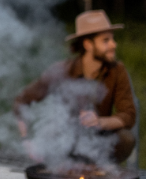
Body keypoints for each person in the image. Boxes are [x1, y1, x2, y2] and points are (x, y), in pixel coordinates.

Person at [14, 10, 136, 164]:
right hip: (65, 141)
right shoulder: (61, 71)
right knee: (52, 135)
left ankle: (102, 170)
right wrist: (26, 140)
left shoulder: (117, 71)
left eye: (112, 39)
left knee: (126, 138)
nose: (113, 44)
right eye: (106, 40)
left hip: (99, 141)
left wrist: (99, 121)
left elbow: (129, 115)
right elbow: (21, 101)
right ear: (88, 44)